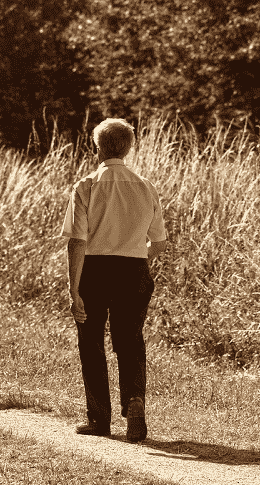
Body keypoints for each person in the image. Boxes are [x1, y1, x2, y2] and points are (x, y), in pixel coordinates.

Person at [61, 118, 167, 442]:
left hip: (94, 268)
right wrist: (135, 254)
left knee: (91, 342)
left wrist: (73, 289)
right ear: (130, 147)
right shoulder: (146, 186)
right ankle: (134, 400)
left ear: (97, 147)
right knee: (130, 339)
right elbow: (160, 243)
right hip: (134, 269)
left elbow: (76, 241)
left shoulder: (87, 185)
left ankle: (99, 419)